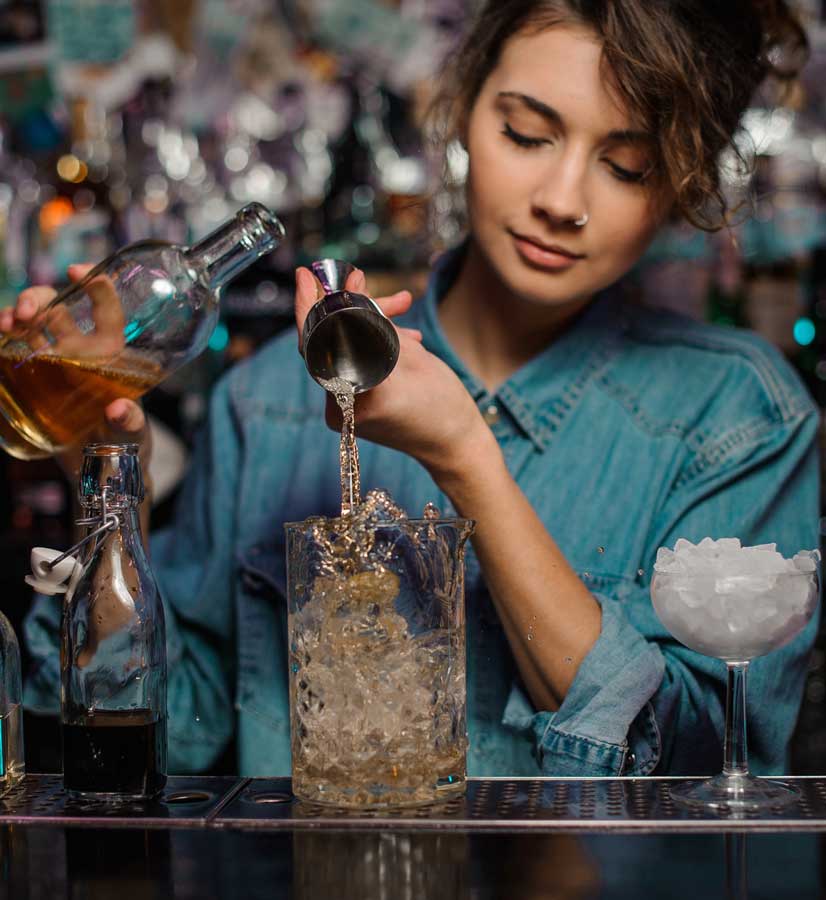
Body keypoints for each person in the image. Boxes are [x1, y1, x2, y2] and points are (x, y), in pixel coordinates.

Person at [17, 0, 818, 777]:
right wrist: (109, 488)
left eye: (626, 166)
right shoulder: (265, 403)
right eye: (527, 134)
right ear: (462, 109)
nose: (562, 201)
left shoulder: (740, 417)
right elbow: (176, 739)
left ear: (681, 181)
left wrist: (468, 459)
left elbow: (704, 774)